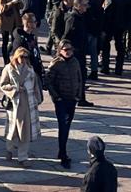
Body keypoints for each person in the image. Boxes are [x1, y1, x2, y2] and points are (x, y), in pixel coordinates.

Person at [45, 41, 86, 169]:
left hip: (72, 99)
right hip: (61, 100)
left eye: (70, 49)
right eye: (65, 49)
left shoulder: (75, 62)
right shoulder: (56, 63)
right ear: (60, 50)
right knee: (63, 125)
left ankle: (62, 150)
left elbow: (80, 79)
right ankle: (63, 153)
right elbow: (48, 82)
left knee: (67, 126)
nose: (68, 51)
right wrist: (56, 97)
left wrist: (79, 95)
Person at [1, 46, 42, 163]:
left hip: (28, 104)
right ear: (16, 57)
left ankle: (22, 157)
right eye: (21, 57)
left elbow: (35, 86)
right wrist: (15, 89)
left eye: (26, 57)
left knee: (25, 131)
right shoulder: (8, 68)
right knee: (13, 130)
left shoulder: (30, 69)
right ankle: (9, 149)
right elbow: (3, 85)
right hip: (15, 104)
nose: (23, 59)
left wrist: (37, 99)